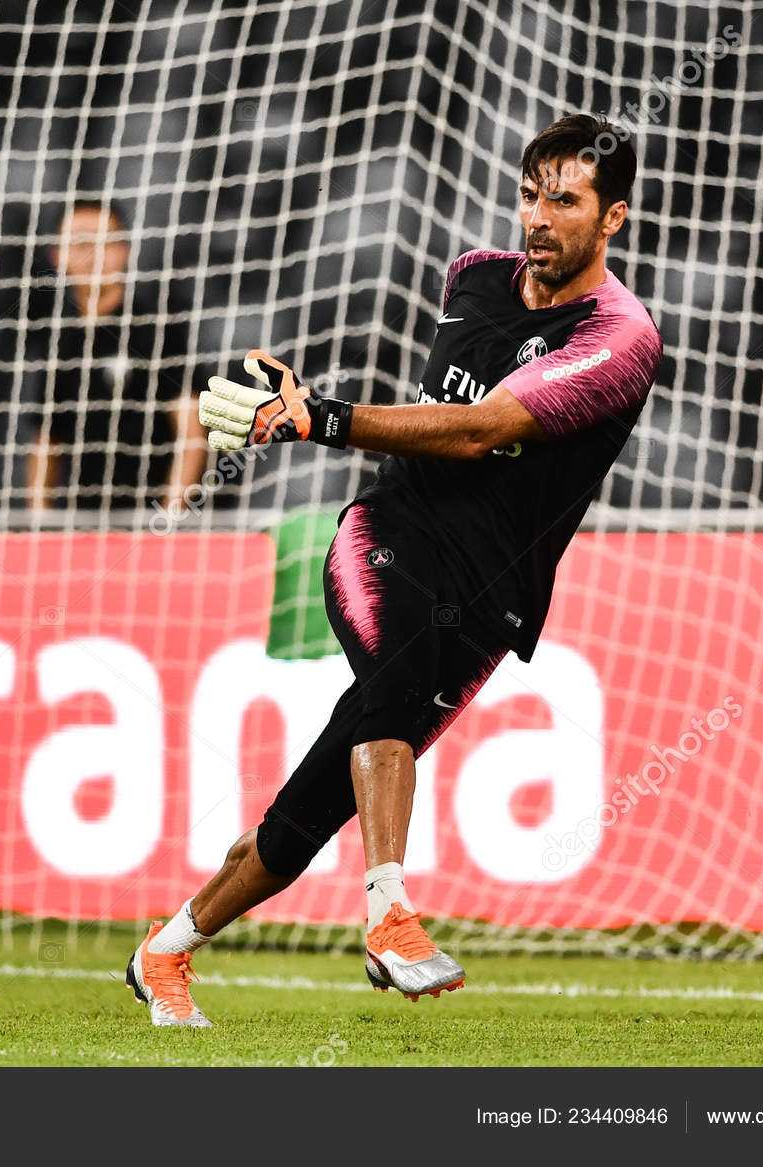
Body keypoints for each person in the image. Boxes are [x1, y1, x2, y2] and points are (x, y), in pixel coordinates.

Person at [130, 114, 664, 1026]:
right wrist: (314, 416)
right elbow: (437, 432)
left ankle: (167, 947)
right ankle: (388, 912)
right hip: (387, 534)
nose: (538, 217)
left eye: (565, 202)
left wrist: (314, 415)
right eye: (530, 193)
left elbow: (479, 427)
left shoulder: (620, 337)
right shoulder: (472, 277)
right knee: (400, 682)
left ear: (612, 218)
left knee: (312, 806)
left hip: (487, 604)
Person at [25, 202, 207, 513]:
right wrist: (38, 520)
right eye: (81, 242)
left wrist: (168, 520)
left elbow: (192, 437)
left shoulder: (156, 328)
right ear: (58, 255)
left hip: (146, 518)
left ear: (124, 251)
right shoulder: (58, 340)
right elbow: (47, 441)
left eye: (105, 241)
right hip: (81, 521)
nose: (93, 254)